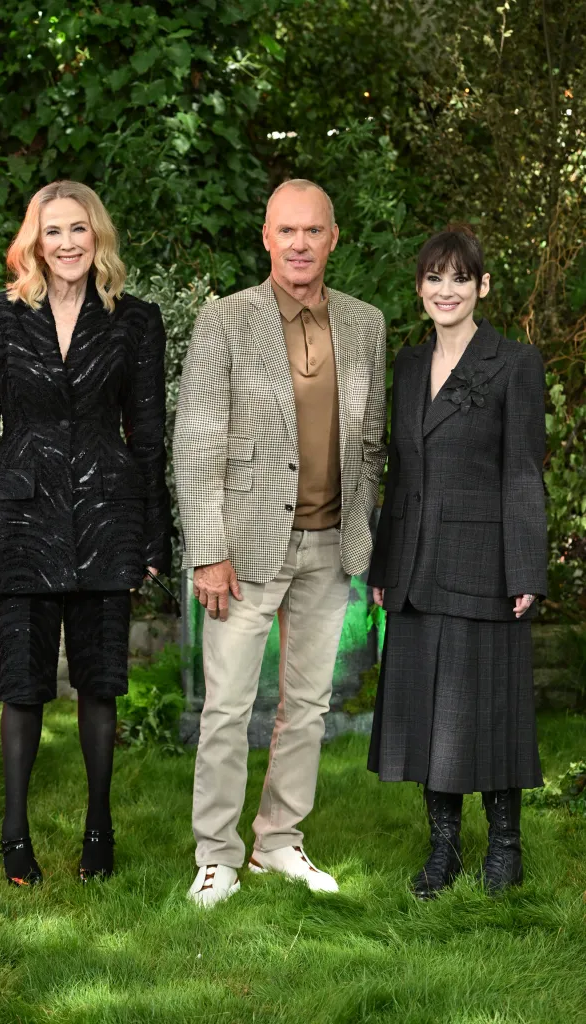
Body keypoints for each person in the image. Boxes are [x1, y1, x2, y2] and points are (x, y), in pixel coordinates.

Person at [0, 181, 172, 885]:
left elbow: (148, 437)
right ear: (34, 242)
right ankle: (15, 839)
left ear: (98, 236)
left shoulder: (135, 322)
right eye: (53, 231)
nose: (67, 243)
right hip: (21, 516)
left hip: (107, 514)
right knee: (22, 686)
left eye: (78, 229)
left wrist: (153, 538)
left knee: (100, 683)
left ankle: (100, 832)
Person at [174, 179, 387, 906]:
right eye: (285, 231)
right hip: (245, 549)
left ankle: (279, 843)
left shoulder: (366, 324)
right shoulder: (226, 321)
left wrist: (362, 531)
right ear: (265, 238)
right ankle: (216, 855)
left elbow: (369, 443)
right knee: (228, 707)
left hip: (330, 549)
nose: (299, 244)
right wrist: (207, 548)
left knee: (309, 705)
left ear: (333, 238)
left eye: (313, 231)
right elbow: (196, 441)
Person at [367, 224, 547, 898]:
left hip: (485, 563)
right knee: (424, 711)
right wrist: (384, 567)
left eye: (459, 278)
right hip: (413, 563)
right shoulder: (408, 365)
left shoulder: (513, 362)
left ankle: (505, 846)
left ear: (482, 287)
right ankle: (442, 850)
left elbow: (523, 471)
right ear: (418, 288)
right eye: (434, 278)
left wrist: (526, 568)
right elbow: (399, 473)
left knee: (491, 707)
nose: (446, 290)